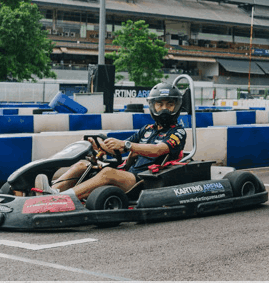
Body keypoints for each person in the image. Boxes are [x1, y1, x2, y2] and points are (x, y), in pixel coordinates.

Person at [39, 81, 188, 201]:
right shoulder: (147, 129)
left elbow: (159, 150)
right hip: (129, 173)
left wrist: (127, 145)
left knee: (108, 173)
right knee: (82, 164)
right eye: (160, 104)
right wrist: (99, 145)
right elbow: (119, 149)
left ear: (177, 106)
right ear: (152, 106)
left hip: (147, 180)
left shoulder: (177, 131)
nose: (164, 109)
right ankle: (51, 190)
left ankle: (61, 200)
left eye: (169, 104)